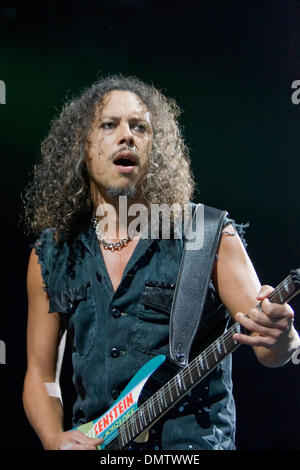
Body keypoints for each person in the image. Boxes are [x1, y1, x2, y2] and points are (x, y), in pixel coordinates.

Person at [22, 75, 300, 451]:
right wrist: (54, 439)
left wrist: (283, 337)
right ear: (81, 146)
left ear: (155, 148)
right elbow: (41, 374)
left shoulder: (207, 234)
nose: (127, 136)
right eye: (109, 125)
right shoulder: (53, 253)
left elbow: (268, 346)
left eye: (140, 127)